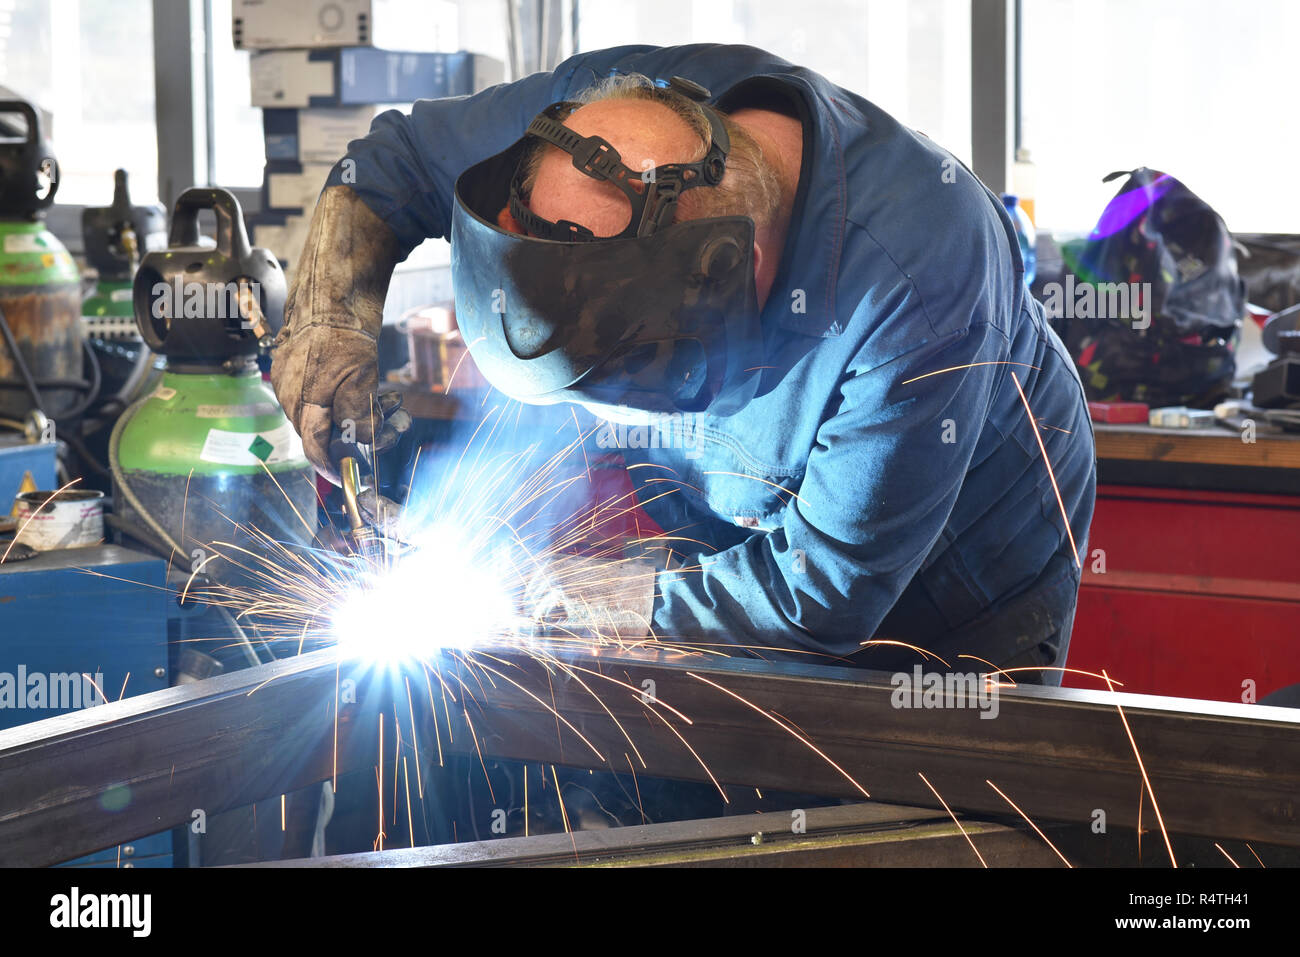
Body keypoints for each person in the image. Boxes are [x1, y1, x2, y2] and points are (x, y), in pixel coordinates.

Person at [271, 44, 1096, 682]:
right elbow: (396, 161)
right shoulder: (604, 114)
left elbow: (823, 594)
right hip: (735, 514)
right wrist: (326, 319)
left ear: (719, 280)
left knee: (918, 806)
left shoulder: (916, 284)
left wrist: (579, 594)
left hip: (963, 570)